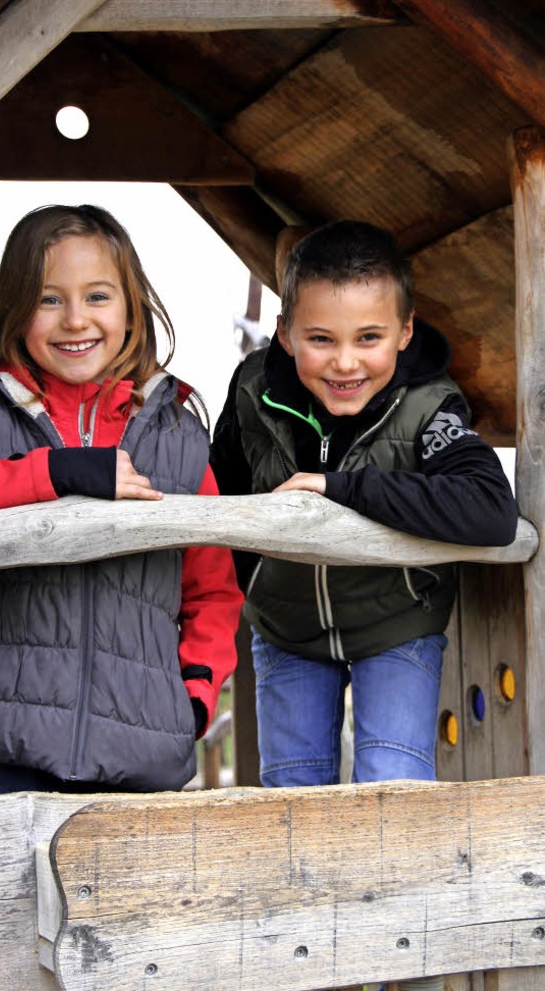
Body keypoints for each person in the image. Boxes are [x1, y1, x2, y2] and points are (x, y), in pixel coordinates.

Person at [211, 221, 517, 990]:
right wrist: (253, 584)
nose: (345, 362)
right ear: (285, 335)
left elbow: (487, 510)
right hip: (286, 630)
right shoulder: (254, 389)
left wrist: (339, 491)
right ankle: (308, 971)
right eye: (320, 338)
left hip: (397, 628)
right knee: (293, 800)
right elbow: (220, 490)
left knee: (391, 789)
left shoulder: (428, 404)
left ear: (405, 331)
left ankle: (394, 970)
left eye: (369, 337)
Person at [0, 204, 243, 795]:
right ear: (15, 307)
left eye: (98, 296)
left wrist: (195, 696)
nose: (75, 319)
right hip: (14, 732)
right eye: (49, 299)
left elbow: (211, 587)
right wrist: (59, 472)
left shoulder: (177, 435)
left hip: (146, 737)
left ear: (132, 305)